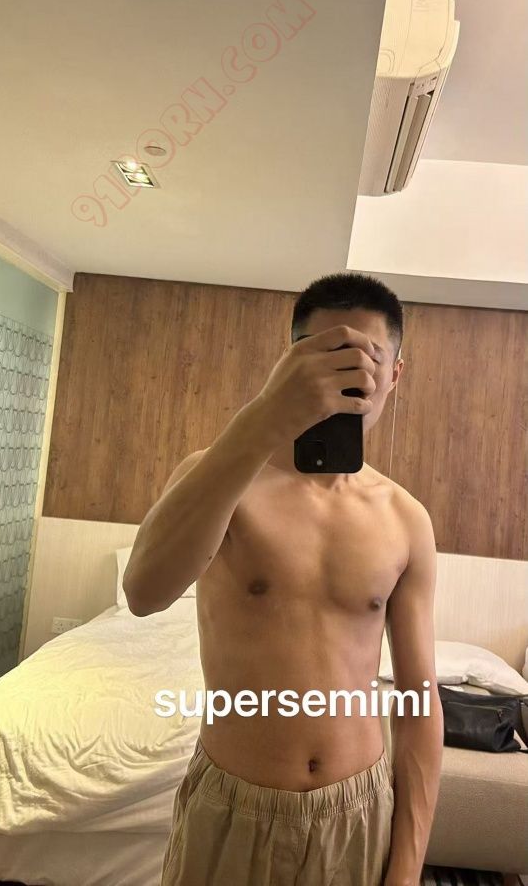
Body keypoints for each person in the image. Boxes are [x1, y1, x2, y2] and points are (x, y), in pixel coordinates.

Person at [124, 272, 443, 886]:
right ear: (289, 363)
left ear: (395, 376)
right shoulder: (218, 475)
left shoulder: (405, 519)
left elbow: (419, 701)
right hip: (234, 809)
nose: (344, 375)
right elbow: (143, 593)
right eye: (324, 355)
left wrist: (405, 871)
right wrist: (265, 416)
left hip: (356, 812)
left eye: (366, 359)